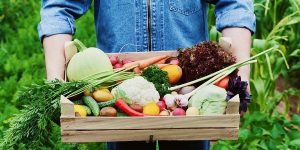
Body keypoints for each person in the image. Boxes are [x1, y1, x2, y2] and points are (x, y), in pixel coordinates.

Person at [38, 0, 255, 150]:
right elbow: (59, 7)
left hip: (191, 92)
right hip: (117, 87)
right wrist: (56, 81)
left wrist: (240, 78)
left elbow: (235, 5)